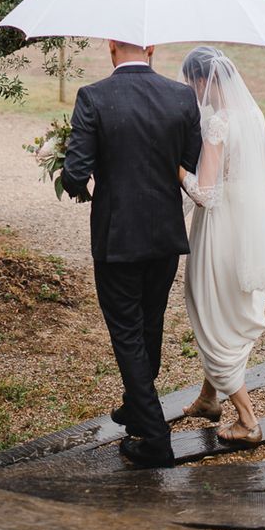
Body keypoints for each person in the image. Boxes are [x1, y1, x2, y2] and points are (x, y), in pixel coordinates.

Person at [62, 40, 202, 469]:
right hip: (164, 236)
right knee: (149, 322)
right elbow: (190, 161)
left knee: (126, 332)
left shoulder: (93, 97)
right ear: (152, 48)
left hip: (117, 239)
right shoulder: (181, 97)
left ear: (110, 49)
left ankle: (156, 439)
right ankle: (134, 403)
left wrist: (80, 187)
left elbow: (74, 173)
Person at [177, 45, 265, 445]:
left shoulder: (218, 123)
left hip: (218, 229)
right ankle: (208, 398)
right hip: (246, 227)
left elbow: (206, 194)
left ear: (203, 81)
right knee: (228, 305)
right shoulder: (253, 116)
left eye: (190, 82)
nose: (190, 90)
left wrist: (178, 169)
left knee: (208, 307)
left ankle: (248, 419)